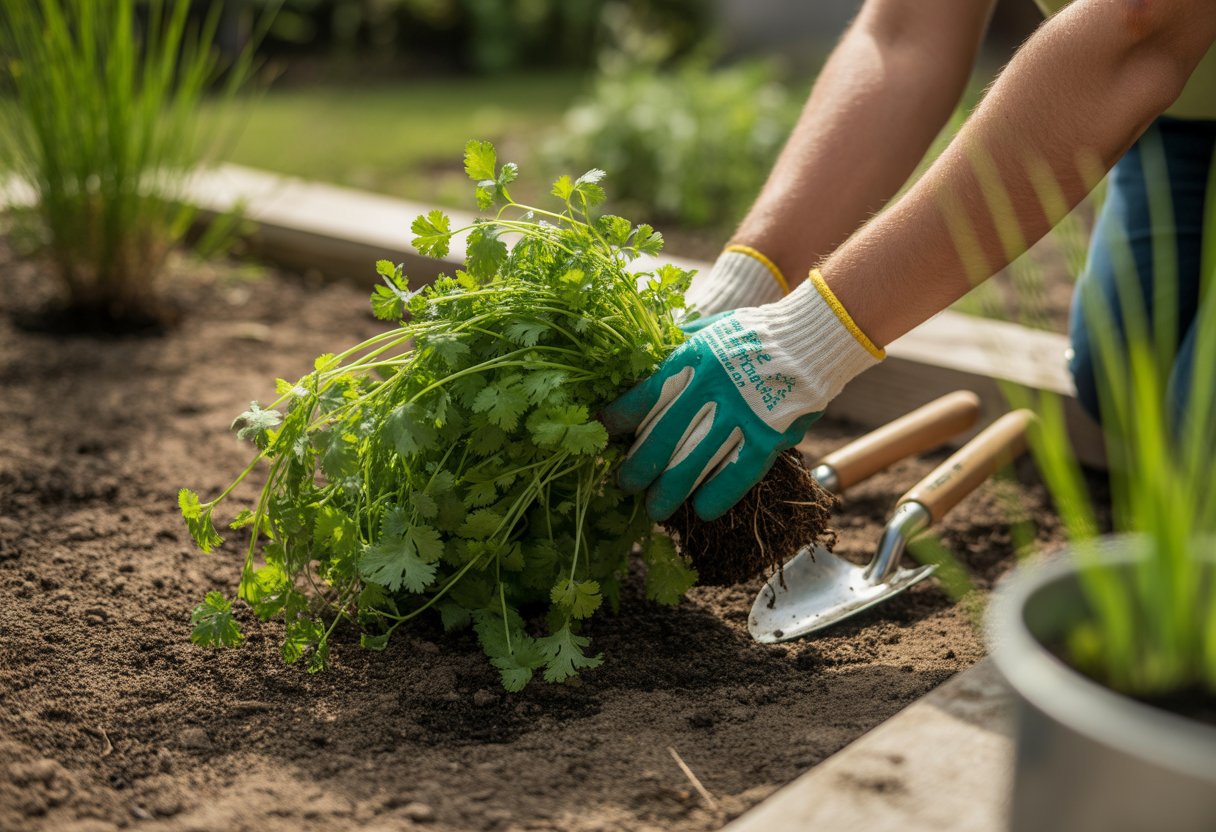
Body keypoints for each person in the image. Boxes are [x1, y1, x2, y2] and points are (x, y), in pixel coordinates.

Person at [601, 0, 1216, 523]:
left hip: (1155, 53)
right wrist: (750, 285)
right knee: (1121, 381)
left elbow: (1141, 20)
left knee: (1201, 427)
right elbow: (905, 36)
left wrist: (813, 337)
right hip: (1184, 119)